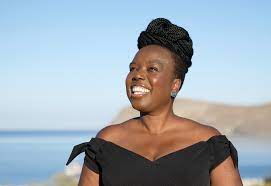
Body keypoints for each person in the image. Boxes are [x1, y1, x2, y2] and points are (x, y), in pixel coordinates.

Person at [66, 18, 243, 186]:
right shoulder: (106, 142)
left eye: (152, 69)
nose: (137, 75)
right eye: (132, 68)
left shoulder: (209, 143)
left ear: (175, 85)